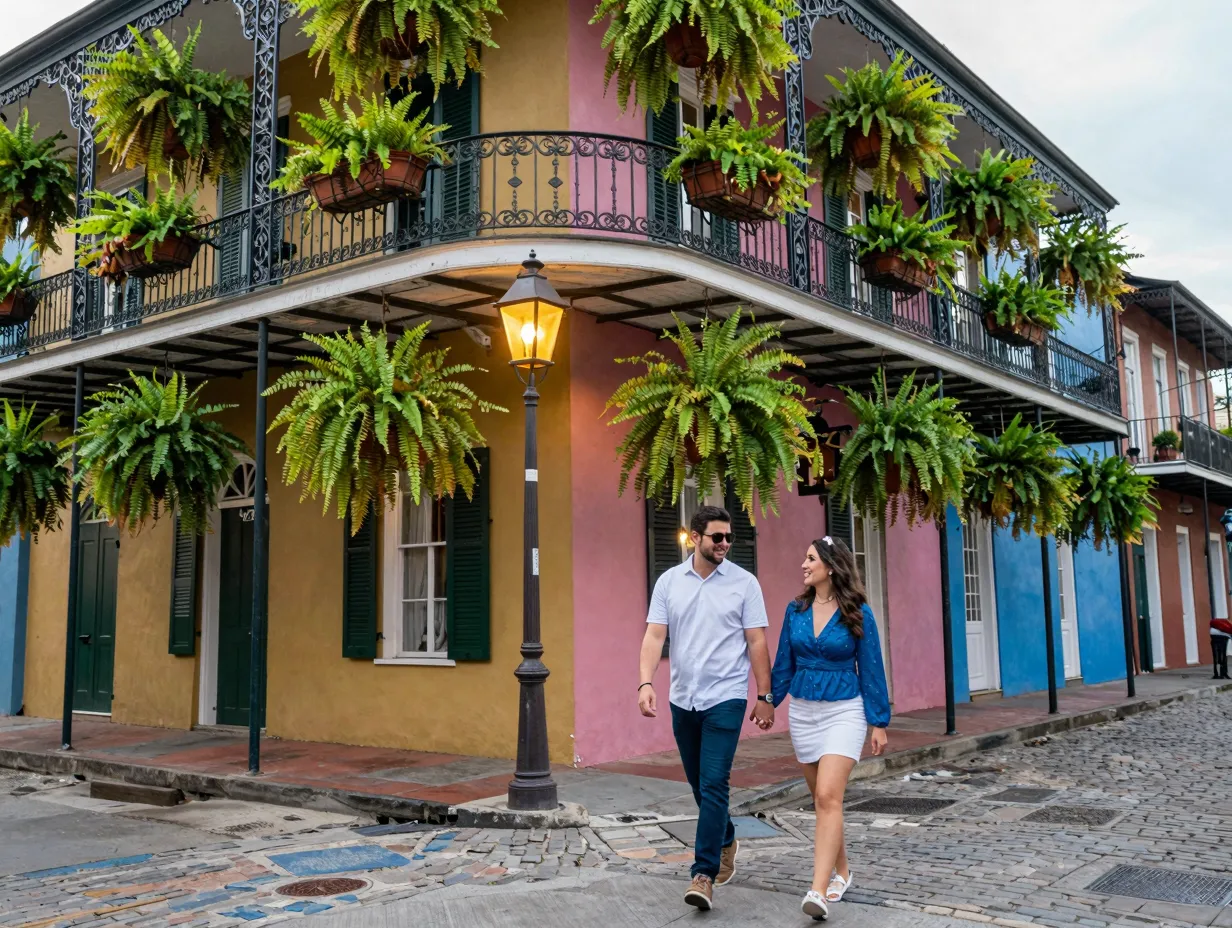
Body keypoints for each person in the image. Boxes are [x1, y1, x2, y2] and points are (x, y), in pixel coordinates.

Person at [637, 505, 774, 912]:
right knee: (700, 786)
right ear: (695, 537)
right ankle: (726, 836)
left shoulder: (745, 583)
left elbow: (757, 642)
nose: (725, 543)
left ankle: (703, 874)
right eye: (717, 537)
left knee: (715, 783)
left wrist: (764, 696)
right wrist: (646, 682)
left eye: (729, 537)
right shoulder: (669, 582)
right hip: (683, 698)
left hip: (726, 697)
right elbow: (654, 635)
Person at [770, 535, 890, 921]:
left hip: (845, 711)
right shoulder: (796, 610)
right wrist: (768, 700)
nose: (803, 565)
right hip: (804, 713)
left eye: (810, 559)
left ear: (831, 566)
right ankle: (843, 871)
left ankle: (817, 891)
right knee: (825, 802)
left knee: (827, 796)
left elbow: (871, 667)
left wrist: (878, 721)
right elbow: (783, 661)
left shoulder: (858, 612)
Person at [1211, 614, 1231, 680]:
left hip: (1214, 639)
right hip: (1223, 639)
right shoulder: (1227, 625)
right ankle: (1223, 673)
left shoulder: (1215, 624)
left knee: (1216, 656)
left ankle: (1216, 674)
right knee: (1223, 656)